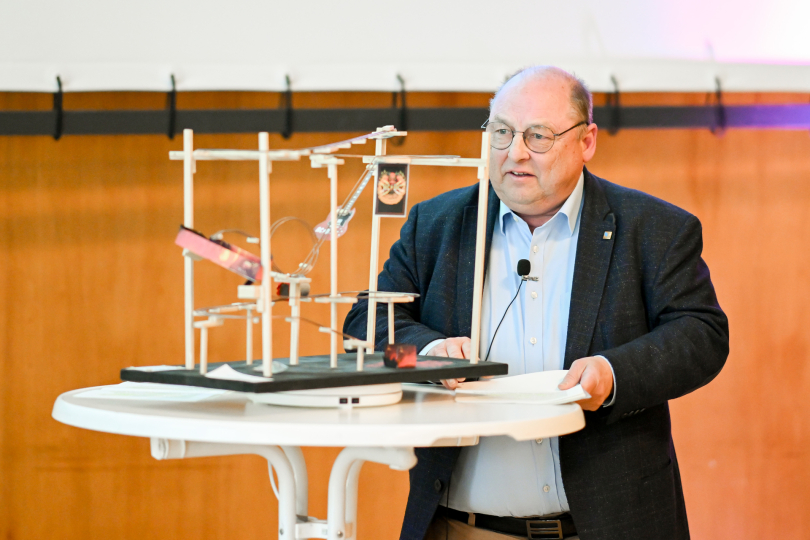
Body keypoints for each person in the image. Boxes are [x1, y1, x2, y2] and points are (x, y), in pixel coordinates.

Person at [343, 66, 729, 540]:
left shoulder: (652, 229)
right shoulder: (437, 225)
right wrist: (426, 354)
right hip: (462, 528)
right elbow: (364, 326)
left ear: (586, 141)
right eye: (501, 132)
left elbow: (702, 335)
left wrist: (614, 374)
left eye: (538, 136)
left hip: (610, 525)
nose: (515, 153)